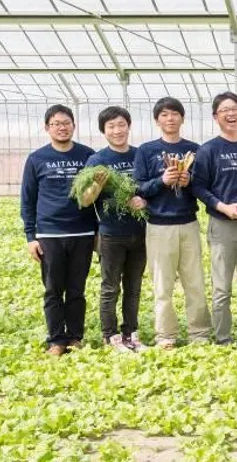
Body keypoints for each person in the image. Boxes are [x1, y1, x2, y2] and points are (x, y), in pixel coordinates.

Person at [134, 97, 210, 349]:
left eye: (175, 114)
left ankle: (199, 334)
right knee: (162, 285)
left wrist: (189, 183)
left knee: (195, 282)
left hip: (188, 223)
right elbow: (139, 188)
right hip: (158, 226)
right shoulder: (146, 151)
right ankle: (166, 336)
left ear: (182, 118)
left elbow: (202, 186)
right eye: (165, 115)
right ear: (157, 120)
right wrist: (162, 181)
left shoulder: (195, 150)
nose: (170, 119)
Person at [20, 104, 96, 356]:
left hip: (82, 233)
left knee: (77, 289)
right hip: (50, 234)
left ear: (74, 125)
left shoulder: (88, 156)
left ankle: (74, 337)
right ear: (47, 128)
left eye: (66, 122)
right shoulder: (36, 159)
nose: (62, 127)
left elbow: (97, 196)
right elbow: (28, 199)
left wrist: (97, 232)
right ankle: (56, 340)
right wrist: (31, 236)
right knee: (53, 289)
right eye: (56, 123)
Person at [192, 92, 237, 346]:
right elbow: (198, 187)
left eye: (235, 109)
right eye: (224, 110)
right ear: (215, 117)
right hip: (223, 226)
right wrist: (224, 208)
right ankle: (222, 338)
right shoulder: (208, 150)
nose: (230, 114)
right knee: (222, 288)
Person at [79, 106, 148, 353]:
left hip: (140, 232)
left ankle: (131, 332)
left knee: (134, 286)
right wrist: (97, 185)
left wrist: (145, 201)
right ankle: (110, 335)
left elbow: (150, 188)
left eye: (121, 125)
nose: (117, 130)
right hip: (110, 233)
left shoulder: (141, 155)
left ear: (129, 126)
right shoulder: (97, 161)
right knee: (110, 286)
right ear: (103, 131)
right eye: (111, 126)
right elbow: (85, 200)